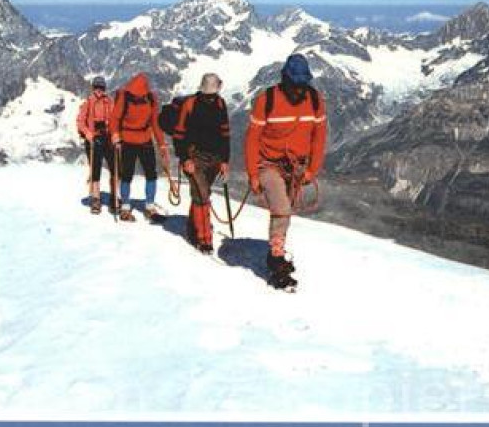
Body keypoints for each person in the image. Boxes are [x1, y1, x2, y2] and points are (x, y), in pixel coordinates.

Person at [244, 53, 327, 289]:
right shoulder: (266, 100)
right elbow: (252, 139)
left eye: (303, 84)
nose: (300, 90)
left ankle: (276, 249)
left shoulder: (315, 100)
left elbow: (319, 137)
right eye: (296, 84)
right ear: (285, 80)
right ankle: (277, 259)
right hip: (268, 164)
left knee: (286, 210)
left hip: (296, 166)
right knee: (281, 208)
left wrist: (312, 168)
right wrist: (252, 174)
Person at [172, 73, 231, 254]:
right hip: (194, 156)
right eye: (209, 95)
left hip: (215, 158)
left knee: (201, 195)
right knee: (202, 196)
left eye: (213, 95)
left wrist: (225, 160)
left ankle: (193, 225)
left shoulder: (221, 105)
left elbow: (225, 135)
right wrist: (185, 159)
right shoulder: (190, 105)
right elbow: (179, 135)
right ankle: (204, 238)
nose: (211, 98)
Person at [110, 73, 170, 222]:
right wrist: (115, 134)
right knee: (126, 174)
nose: (135, 96)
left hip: (145, 139)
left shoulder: (151, 99)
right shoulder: (124, 97)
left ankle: (149, 206)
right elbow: (115, 118)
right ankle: (125, 206)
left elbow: (155, 122)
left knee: (151, 173)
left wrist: (162, 144)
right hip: (127, 140)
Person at [76, 76, 116, 214]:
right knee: (96, 169)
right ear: (93, 88)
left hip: (107, 138)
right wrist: (87, 133)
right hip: (93, 139)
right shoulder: (88, 103)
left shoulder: (109, 102)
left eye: (102, 88)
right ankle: (96, 198)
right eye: (97, 88)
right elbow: (80, 122)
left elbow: (114, 119)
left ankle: (114, 196)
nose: (99, 90)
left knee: (114, 167)